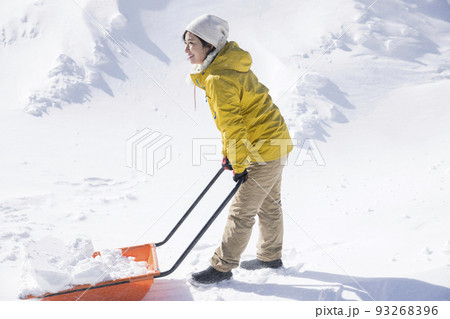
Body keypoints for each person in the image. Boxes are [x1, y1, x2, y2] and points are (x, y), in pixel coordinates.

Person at [183, 14, 293, 284]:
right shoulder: (229, 63)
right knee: (269, 204)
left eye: (191, 44)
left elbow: (233, 128)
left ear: (209, 45)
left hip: (264, 148)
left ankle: (222, 267)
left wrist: (240, 164)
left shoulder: (219, 78)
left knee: (241, 211)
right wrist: (230, 155)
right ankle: (270, 256)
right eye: (185, 44)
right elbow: (237, 122)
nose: (186, 50)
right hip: (274, 141)